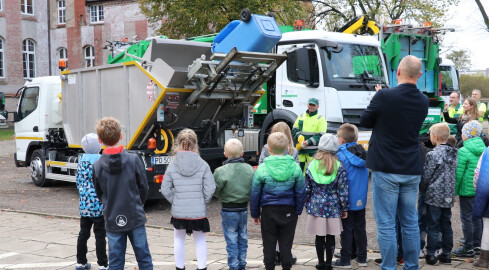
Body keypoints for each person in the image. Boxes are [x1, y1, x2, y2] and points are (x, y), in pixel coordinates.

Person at [359, 55, 429, 270]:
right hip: (411, 167)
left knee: (387, 223)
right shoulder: (423, 100)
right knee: (409, 222)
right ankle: (411, 266)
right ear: (420, 75)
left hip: (386, 166)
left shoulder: (384, 96)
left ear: (397, 72)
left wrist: (378, 97)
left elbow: (364, 121)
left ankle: (388, 266)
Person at [93, 117, 153, 269]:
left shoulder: (97, 165)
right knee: (144, 258)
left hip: (112, 217)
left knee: (115, 261)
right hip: (135, 215)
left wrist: (108, 204)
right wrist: (138, 204)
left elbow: (99, 192)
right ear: (120, 136)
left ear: (100, 140)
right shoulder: (133, 160)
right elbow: (143, 187)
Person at [161, 128, 216, 270]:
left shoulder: (172, 165)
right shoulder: (203, 164)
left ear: (178, 144)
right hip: (198, 211)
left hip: (179, 211)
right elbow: (210, 188)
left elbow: (165, 188)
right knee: (200, 239)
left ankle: (179, 267)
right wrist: (202, 200)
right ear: (195, 144)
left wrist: (176, 201)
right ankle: (202, 267)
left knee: (179, 238)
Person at [250, 132, 306, 270]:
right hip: (289, 210)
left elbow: (255, 193)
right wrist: (298, 210)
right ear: (287, 147)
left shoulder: (262, 168)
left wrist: (255, 213)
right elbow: (300, 191)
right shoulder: (295, 167)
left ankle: (269, 266)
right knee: (286, 243)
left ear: (268, 148)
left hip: (269, 210)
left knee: (269, 242)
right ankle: (287, 266)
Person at [304, 133, 348, 270]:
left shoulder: (311, 165)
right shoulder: (339, 166)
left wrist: (307, 204)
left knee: (319, 236)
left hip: (316, 205)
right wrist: (344, 208)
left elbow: (307, 189)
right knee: (330, 236)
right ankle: (329, 263)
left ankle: (320, 263)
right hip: (333, 206)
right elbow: (343, 190)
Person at [258, 121, 299, 265]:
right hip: (288, 198)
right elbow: (297, 177)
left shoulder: (266, 149)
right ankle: (285, 255)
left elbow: (261, 169)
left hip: (269, 197)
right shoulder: (293, 151)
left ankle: (274, 254)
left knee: (271, 232)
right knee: (286, 232)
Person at [419, 123, 458, 265]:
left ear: (435, 137)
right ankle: (446, 254)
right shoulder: (454, 153)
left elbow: (427, 176)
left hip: (434, 195)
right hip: (448, 195)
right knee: (446, 224)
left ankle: (431, 254)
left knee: (433, 225)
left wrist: (422, 188)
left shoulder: (433, 154)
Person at [213, 138, 255, 270]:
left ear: (225, 154)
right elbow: (254, 187)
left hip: (228, 209)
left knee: (231, 240)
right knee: (243, 237)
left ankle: (234, 266)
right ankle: (242, 264)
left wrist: (221, 196)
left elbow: (215, 191)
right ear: (242, 153)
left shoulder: (220, 171)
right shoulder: (249, 169)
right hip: (243, 208)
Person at [332, 124, 368, 268]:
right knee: (360, 228)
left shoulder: (340, 155)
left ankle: (345, 259)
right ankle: (362, 257)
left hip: (346, 199)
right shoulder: (363, 152)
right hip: (361, 198)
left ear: (340, 140)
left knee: (346, 230)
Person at [75, 133, 108, 270]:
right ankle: (103, 264)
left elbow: (78, 182)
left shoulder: (81, 161)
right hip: (99, 206)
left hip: (84, 205)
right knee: (100, 235)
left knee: (83, 233)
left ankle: (81, 261)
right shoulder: (101, 161)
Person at [453, 120, 485, 258]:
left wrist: (454, 191)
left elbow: (458, 173)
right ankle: (478, 245)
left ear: (466, 135)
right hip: (481, 189)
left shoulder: (463, 151)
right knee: (477, 218)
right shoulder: (484, 149)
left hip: (467, 189)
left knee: (466, 218)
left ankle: (468, 246)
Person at [292, 98, 327, 173]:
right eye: (310, 104)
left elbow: (321, 135)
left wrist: (308, 142)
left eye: (313, 105)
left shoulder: (321, 119)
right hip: (301, 152)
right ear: (307, 105)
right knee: (299, 173)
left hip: (313, 153)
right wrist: (299, 136)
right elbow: (294, 129)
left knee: (312, 173)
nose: (311, 106)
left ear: (317, 106)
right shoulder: (301, 116)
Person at [472, 146, 489, 268]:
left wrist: (476, 188)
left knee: (487, 226)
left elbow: (478, 173)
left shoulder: (487, 152)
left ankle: (484, 259)